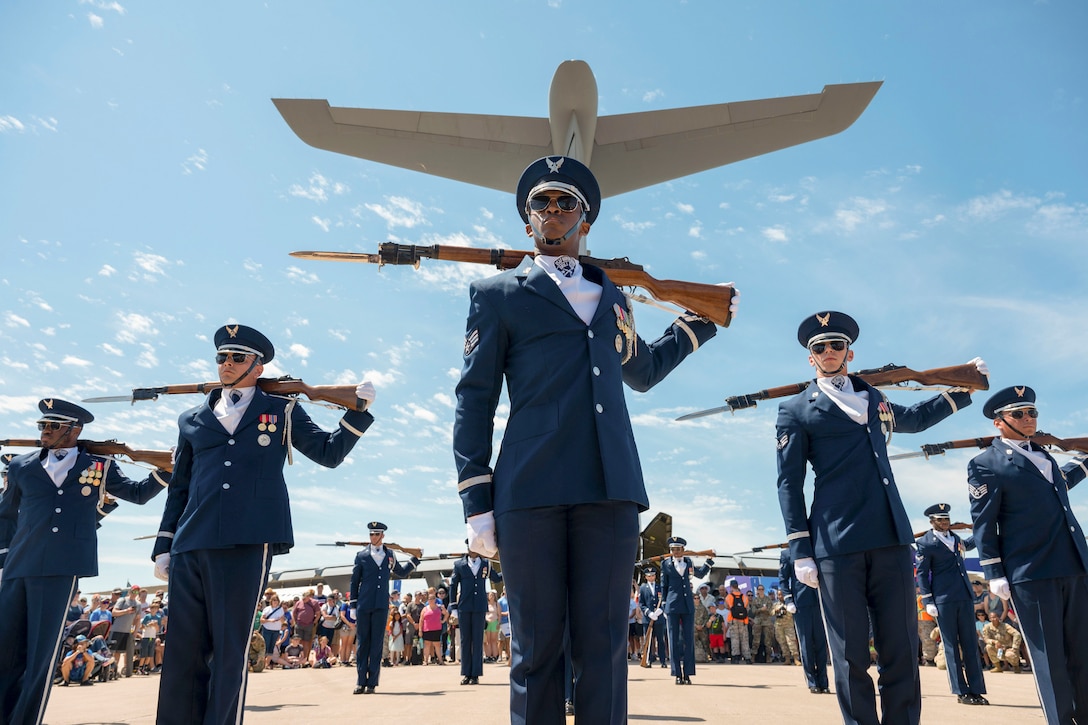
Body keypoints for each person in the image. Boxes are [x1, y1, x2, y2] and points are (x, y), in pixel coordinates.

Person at [453, 155, 728, 725]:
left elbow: (644, 370)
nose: (552, 213)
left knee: (604, 647)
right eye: (540, 204)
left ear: (587, 217)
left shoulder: (613, 295)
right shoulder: (497, 293)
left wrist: (701, 324)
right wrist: (476, 499)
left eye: (565, 203)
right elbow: (475, 398)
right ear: (527, 220)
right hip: (530, 490)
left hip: (610, 487)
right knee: (536, 648)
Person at [150, 324, 376, 724]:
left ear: (258, 366)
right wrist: (164, 544)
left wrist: (356, 413)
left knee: (229, 649)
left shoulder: (282, 408)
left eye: (237, 357)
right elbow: (179, 486)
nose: (226, 364)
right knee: (183, 652)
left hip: (248, 540)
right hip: (190, 541)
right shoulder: (191, 418)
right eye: (222, 356)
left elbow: (328, 453)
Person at [776, 311, 983, 724]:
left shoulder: (875, 398)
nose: (829, 352)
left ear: (849, 352)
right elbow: (789, 483)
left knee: (901, 649)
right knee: (851, 654)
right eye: (820, 348)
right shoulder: (795, 409)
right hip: (836, 543)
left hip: (890, 535)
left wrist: (961, 390)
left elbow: (916, 419)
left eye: (836, 345)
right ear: (810, 358)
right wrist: (800, 548)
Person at [0, 398, 168, 725]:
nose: (45, 431)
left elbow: (137, 493)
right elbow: (5, 514)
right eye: (42, 425)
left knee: (41, 657)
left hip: (62, 569)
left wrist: (166, 470)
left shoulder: (98, 465)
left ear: (75, 430)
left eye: (53, 426)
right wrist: (4, 558)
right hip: (18, 567)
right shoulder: (22, 465)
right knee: (4, 649)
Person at [967, 386, 1088, 725]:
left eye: (1032, 412)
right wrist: (993, 573)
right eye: (1018, 413)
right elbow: (983, 522)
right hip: (1031, 572)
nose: (1028, 418)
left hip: (1074, 565)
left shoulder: (1046, 456)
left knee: (1083, 653)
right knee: (1050, 660)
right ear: (999, 422)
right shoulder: (985, 464)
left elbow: (1061, 484)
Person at [915, 503, 988, 705]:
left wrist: (981, 526)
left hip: (964, 596)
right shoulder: (925, 543)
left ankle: (976, 689)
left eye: (946, 519)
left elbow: (971, 544)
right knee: (951, 646)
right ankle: (961, 691)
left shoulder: (955, 539)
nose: (945, 522)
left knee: (970, 644)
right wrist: (928, 599)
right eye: (940, 519)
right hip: (943, 600)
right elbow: (922, 574)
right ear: (932, 521)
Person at [349, 521, 418, 694]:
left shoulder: (390, 555)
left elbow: (401, 572)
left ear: (383, 536)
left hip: (381, 605)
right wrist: (353, 605)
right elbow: (355, 581)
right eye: (371, 534)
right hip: (364, 605)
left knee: (377, 644)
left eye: (376, 534)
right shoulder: (361, 555)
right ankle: (360, 681)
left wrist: (415, 559)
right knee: (363, 644)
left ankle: (372, 682)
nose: (373, 537)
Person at [660, 538, 713, 685]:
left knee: (689, 640)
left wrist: (709, 561)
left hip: (687, 605)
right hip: (672, 605)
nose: (675, 552)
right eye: (673, 549)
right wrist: (664, 604)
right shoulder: (665, 564)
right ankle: (677, 673)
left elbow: (700, 574)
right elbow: (664, 586)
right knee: (674, 640)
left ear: (683, 549)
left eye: (678, 549)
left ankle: (688, 673)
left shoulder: (689, 562)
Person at [449, 546, 503, 685]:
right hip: (464, 606)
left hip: (479, 607)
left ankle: (476, 674)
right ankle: (466, 673)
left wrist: (510, 567)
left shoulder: (486, 564)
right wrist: (453, 606)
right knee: (465, 640)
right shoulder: (459, 564)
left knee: (478, 640)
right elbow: (453, 585)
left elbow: (496, 579)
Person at [638, 568, 667, 668]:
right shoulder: (643, 588)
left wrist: (660, 611)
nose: (651, 577)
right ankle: (649, 660)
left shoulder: (660, 587)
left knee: (660, 640)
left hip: (659, 618)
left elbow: (664, 600)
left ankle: (663, 661)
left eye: (653, 575)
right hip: (648, 618)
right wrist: (649, 613)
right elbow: (641, 604)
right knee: (649, 641)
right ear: (646, 577)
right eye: (649, 576)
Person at [722, 579, 751, 664]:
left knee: (735, 639)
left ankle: (735, 657)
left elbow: (726, 607)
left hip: (733, 620)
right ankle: (747, 657)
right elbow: (747, 608)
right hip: (743, 620)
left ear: (731, 587)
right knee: (744, 639)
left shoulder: (729, 597)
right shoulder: (744, 597)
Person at [419, 590, 448, 666]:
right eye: (430, 598)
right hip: (427, 629)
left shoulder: (439, 607)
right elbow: (421, 620)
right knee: (427, 645)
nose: (431, 600)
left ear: (435, 599)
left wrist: (443, 620)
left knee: (437, 645)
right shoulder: (425, 609)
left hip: (437, 629)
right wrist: (420, 630)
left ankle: (440, 660)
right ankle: (426, 661)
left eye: (432, 598)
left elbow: (446, 614)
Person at [771, 590, 799, 666]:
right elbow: (771, 612)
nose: (780, 596)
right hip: (779, 625)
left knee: (791, 641)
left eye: (781, 594)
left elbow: (793, 612)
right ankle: (787, 658)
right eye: (779, 595)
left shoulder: (789, 603)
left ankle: (796, 658)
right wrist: (776, 610)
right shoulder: (776, 604)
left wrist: (785, 608)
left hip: (788, 625)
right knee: (782, 642)